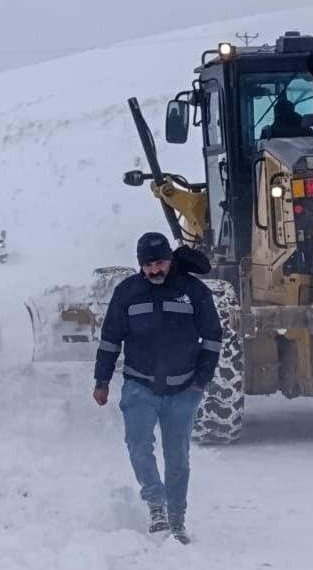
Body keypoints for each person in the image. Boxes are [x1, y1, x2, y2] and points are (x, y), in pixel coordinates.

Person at [92, 232, 222, 543]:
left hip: (183, 390)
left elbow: (213, 337)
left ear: (170, 260)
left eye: (160, 263)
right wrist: (102, 380)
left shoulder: (192, 291)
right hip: (140, 386)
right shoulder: (128, 292)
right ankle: (156, 505)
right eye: (148, 265)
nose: (155, 271)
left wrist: (200, 381)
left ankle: (176, 518)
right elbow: (110, 339)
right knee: (138, 446)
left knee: (177, 457)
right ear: (140, 265)